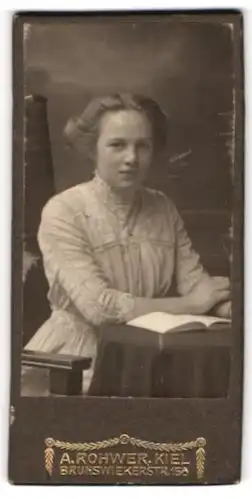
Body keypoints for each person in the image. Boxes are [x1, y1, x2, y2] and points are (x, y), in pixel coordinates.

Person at [24, 93, 231, 394]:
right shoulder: (64, 210)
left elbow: (196, 284)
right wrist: (192, 304)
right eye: (117, 145)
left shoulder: (163, 207)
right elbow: (100, 309)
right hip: (74, 361)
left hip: (146, 355)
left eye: (142, 145)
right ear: (92, 149)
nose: (132, 158)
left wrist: (227, 307)